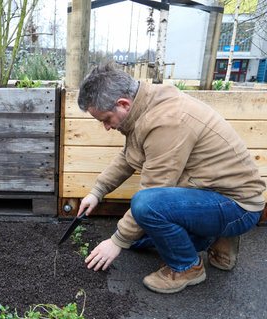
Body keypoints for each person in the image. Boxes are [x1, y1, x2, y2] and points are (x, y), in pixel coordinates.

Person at [76, 62, 266, 294]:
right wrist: (97, 191)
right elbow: (129, 156)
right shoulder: (145, 106)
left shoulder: (167, 120)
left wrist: (116, 242)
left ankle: (188, 267)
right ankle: (215, 236)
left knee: (145, 206)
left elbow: (154, 190)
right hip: (212, 194)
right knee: (135, 240)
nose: (106, 127)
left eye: (105, 119)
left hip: (238, 206)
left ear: (123, 104)